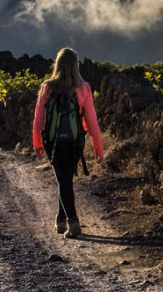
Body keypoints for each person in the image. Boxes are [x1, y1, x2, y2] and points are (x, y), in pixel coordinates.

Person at [32, 47, 104, 237]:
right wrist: (99, 149)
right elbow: (92, 121)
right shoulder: (84, 88)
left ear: (57, 64)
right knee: (65, 180)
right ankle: (60, 220)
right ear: (76, 66)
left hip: (53, 142)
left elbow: (39, 119)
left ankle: (73, 222)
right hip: (75, 142)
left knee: (63, 180)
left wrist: (37, 143)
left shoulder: (47, 87)